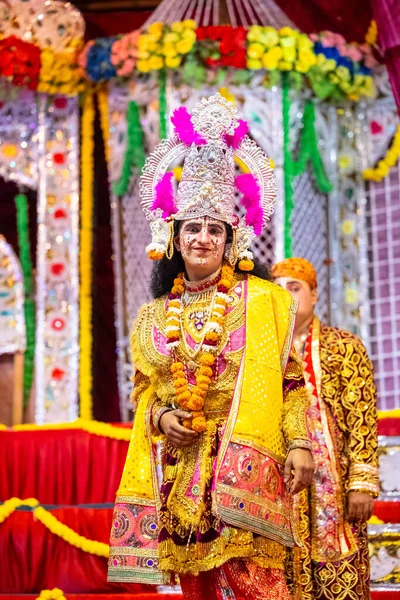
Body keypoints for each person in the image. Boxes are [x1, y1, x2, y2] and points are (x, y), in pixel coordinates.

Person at [108, 94, 314, 599]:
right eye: (192, 228)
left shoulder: (262, 301)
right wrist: (160, 420)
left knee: (260, 590)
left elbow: (289, 382)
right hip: (183, 477)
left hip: (247, 467)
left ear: (231, 241)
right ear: (174, 236)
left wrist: (303, 443)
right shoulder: (153, 316)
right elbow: (145, 393)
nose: (202, 238)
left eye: (214, 230)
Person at [271, 257, 379, 600]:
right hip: (280, 484)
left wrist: (361, 483)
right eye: (278, 290)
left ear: (314, 295)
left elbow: (361, 417)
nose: (286, 296)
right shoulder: (261, 353)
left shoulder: (343, 346)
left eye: (295, 288)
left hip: (333, 488)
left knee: (338, 577)